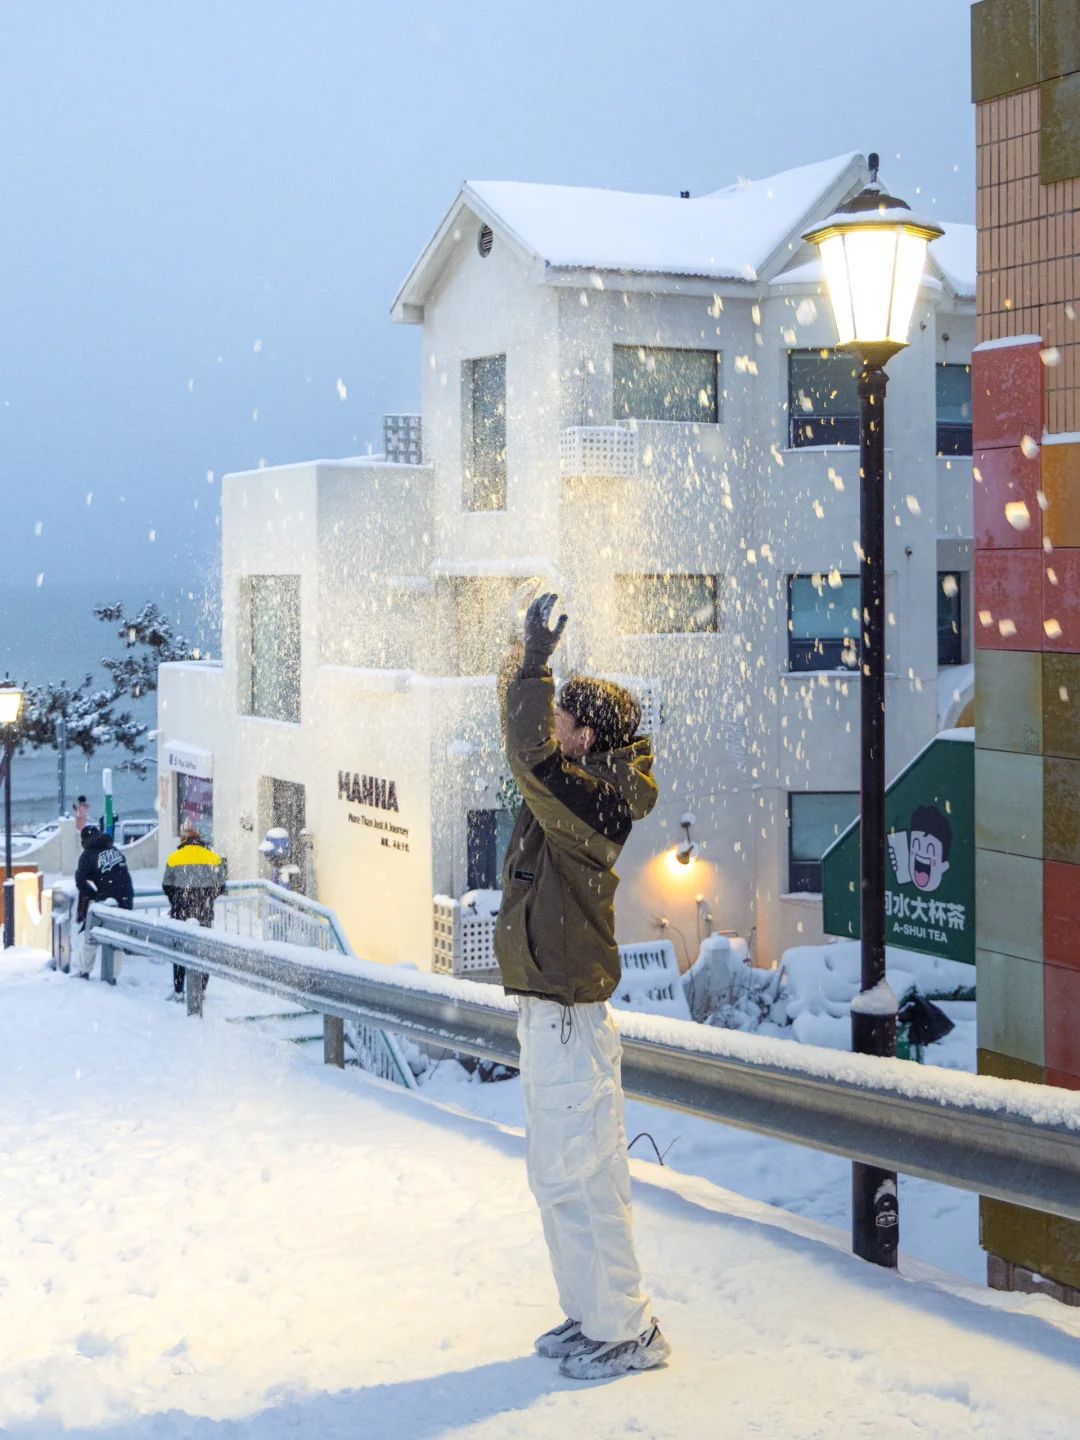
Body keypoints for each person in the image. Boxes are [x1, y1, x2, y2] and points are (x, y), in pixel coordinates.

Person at [495, 592, 670, 1380]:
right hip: (553, 1009)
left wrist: (535, 665)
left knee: (581, 1173)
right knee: (564, 1173)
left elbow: (528, 754)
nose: (553, 726)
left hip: (569, 1014)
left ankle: (625, 1332)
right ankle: (593, 1315)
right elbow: (525, 744)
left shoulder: (591, 799)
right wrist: (521, 663)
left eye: (562, 716)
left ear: (585, 735)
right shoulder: (574, 784)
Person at [161, 827, 226, 1001]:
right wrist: (208, 898)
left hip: (180, 910)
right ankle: (200, 990)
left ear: (183, 841)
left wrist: (177, 900)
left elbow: (166, 886)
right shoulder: (213, 857)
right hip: (203, 910)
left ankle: (179, 991)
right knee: (203, 949)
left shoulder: (174, 858)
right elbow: (221, 885)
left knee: (179, 948)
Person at [74, 824, 134, 978]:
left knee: (91, 934)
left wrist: (94, 895)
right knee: (117, 935)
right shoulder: (114, 849)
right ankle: (113, 976)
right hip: (126, 897)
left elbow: (80, 881)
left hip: (106, 898)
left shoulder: (87, 854)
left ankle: (84, 971)